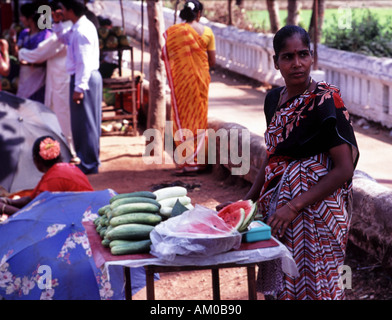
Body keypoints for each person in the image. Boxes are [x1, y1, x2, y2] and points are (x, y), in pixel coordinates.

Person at [220, 26, 359, 300]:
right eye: (288, 57)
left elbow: (344, 168)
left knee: (319, 288)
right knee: (281, 287)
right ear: (276, 62)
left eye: (303, 54)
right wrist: (246, 203)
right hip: (277, 211)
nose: (297, 63)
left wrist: (294, 207)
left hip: (317, 211)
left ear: (312, 57)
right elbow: (274, 157)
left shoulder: (326, 100)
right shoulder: (273, 99)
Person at [18, 2, 79, 164]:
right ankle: (65, 151)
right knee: (61, 117)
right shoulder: (63, 28)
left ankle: (69, 152)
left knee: (63, 117)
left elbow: (40, 53)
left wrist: (21, 53)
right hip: (59, 79)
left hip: (62, 80)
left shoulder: (65, 30)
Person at [162, 0, 216, 175]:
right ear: (199, 14)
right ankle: (197, 161)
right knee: (199, 118)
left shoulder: (175, 32)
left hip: (181, 83)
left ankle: (186, 160)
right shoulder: (207, 32)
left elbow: (165, 56)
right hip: (200, 82)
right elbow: (212, 61)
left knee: (182, 119)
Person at [52, 0, 102, 175]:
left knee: (85, 122)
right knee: (84, 122)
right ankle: (89, 160)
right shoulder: (77, 28)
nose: (61, 12)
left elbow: (84, 63)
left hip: (84, 78)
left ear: (71, 10)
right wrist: (56, 23)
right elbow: (63, 38)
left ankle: (89, 163)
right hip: (85, 77)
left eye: (63, 9)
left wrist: (79, 88)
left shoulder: (81, 31)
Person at [0, 136, 94, 218]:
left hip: (84, 217)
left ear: (36, 160)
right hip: (88, 210)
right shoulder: (65, 168)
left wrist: (4, 208)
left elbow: (35, 217)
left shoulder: (53, 179)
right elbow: (32, 199)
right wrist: (8, 202)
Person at [10, 3, 52, 103]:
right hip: (24, 77)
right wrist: (13, 40)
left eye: (23, 16)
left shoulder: (46, 35)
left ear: (30, 18)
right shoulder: (24, 33)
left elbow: (44, 59)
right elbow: (17, 54)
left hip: (39, 78)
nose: (20, 19)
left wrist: (28, 63)